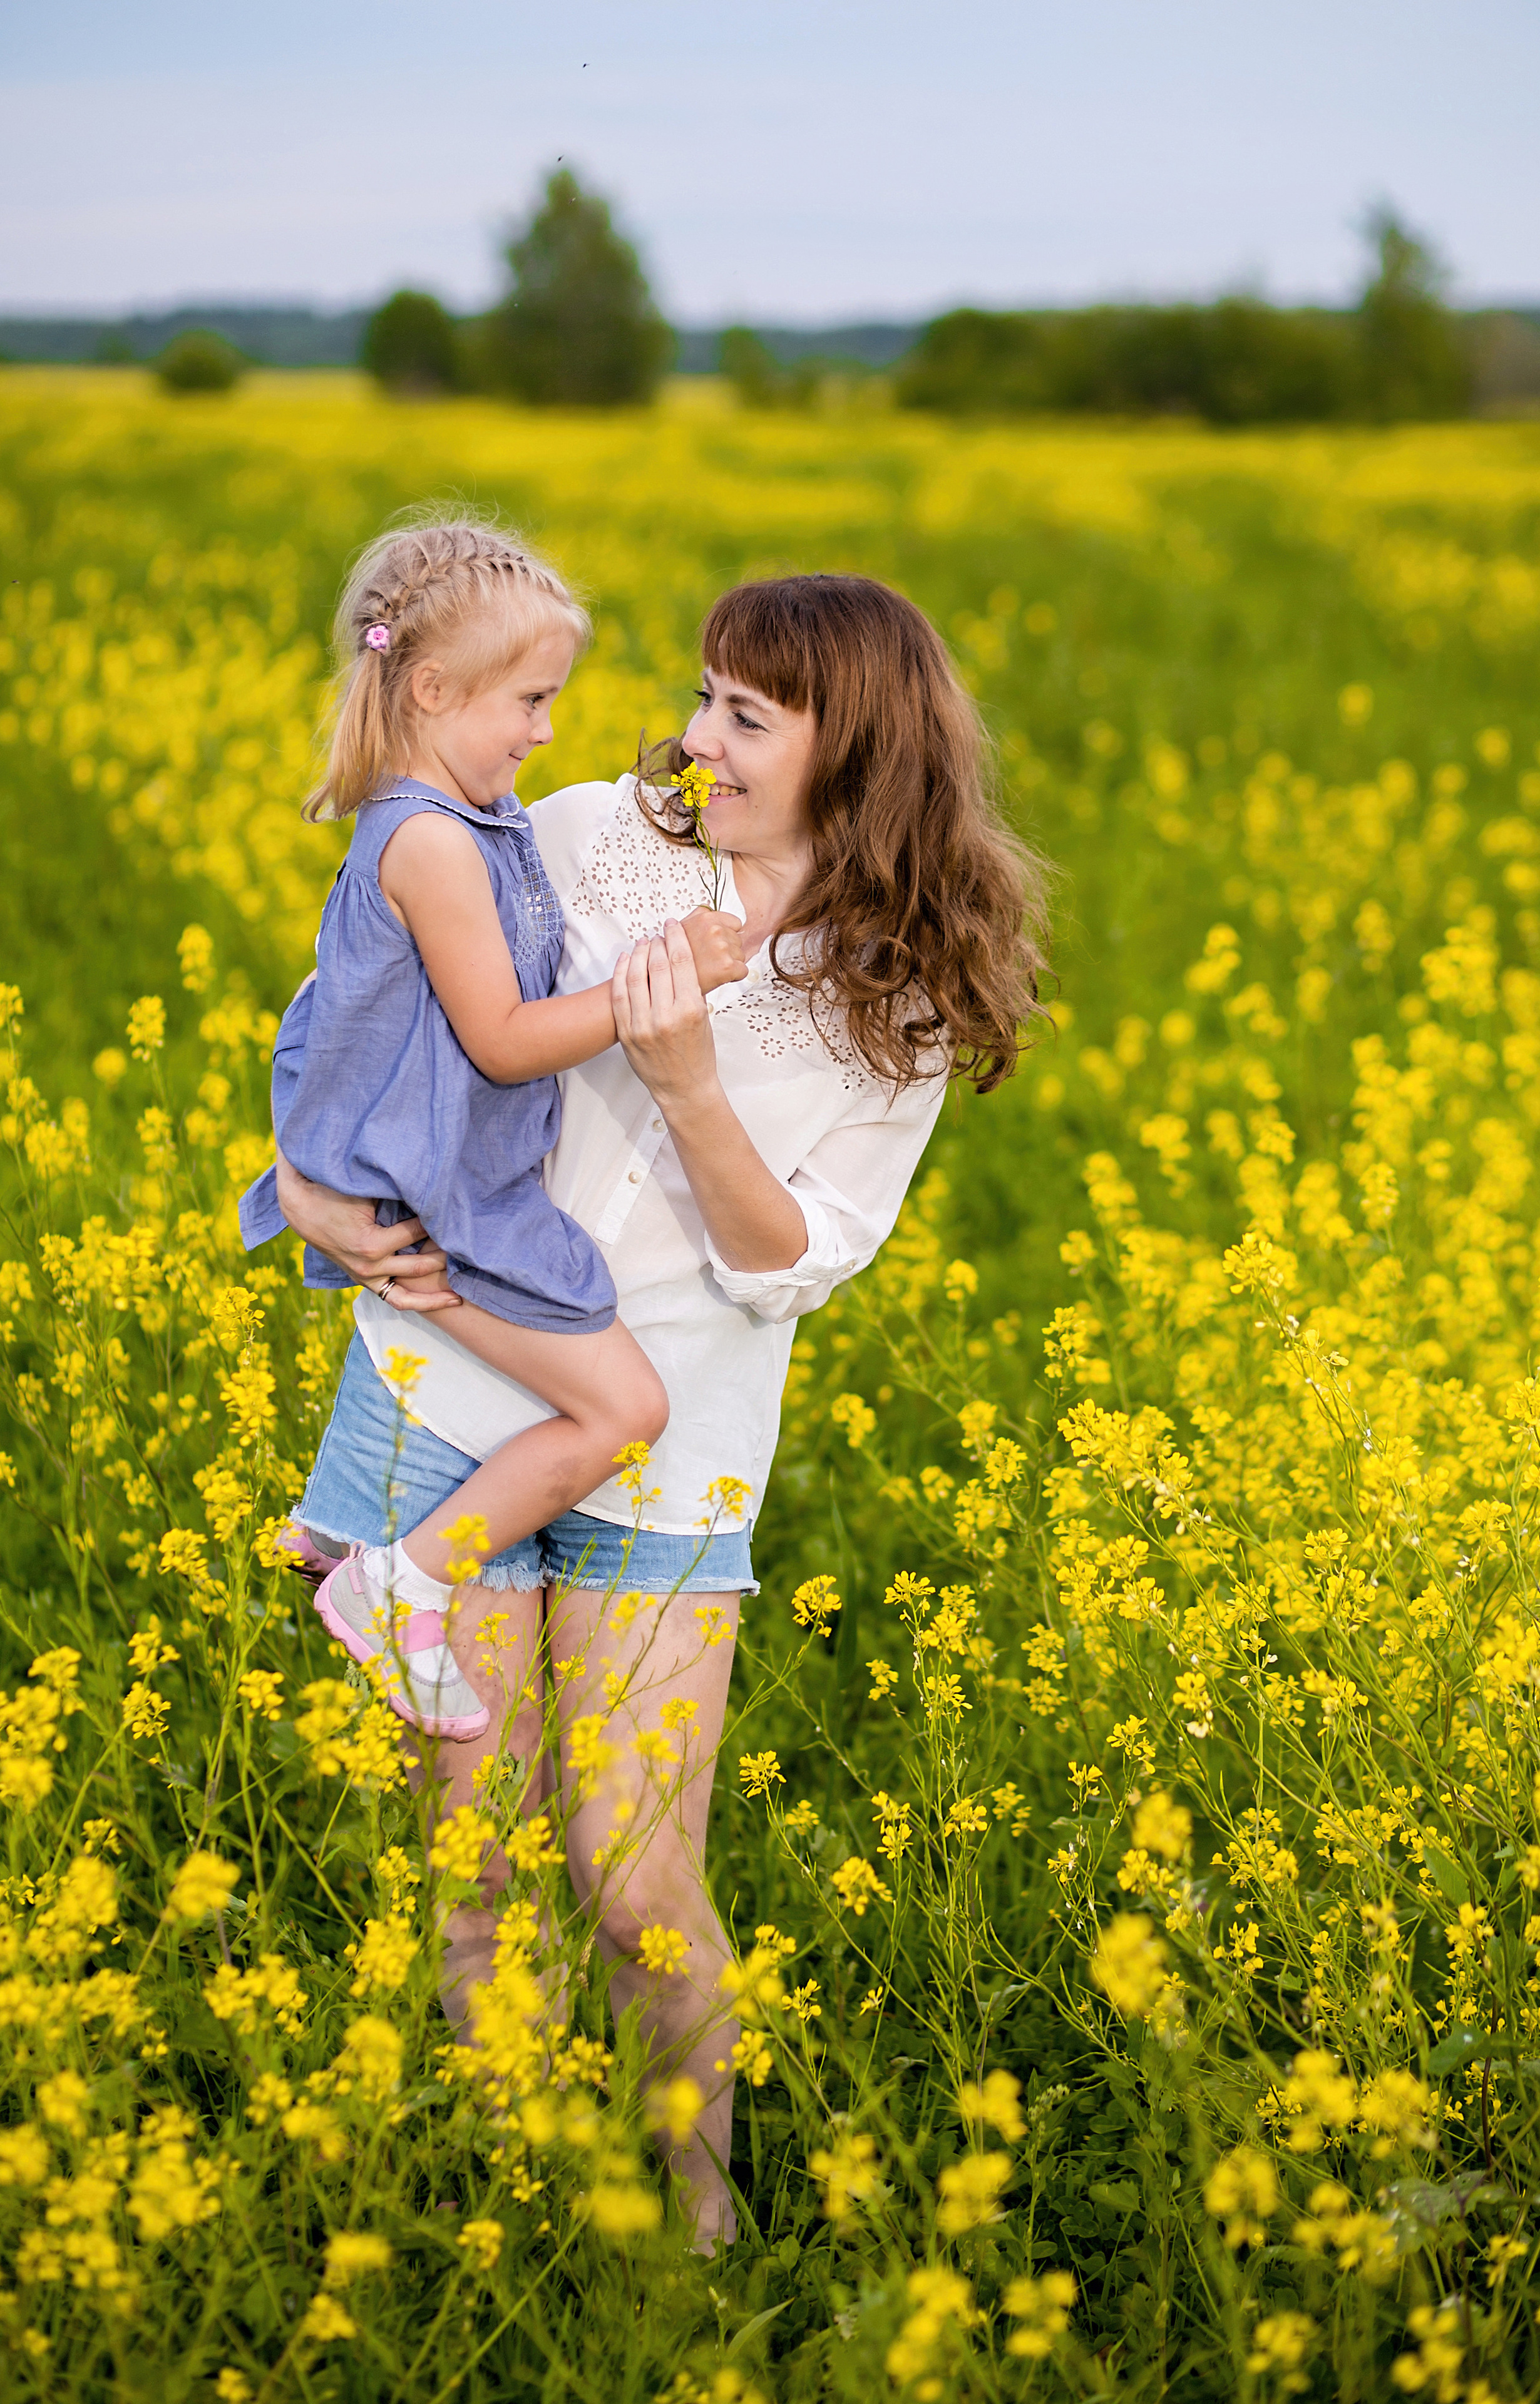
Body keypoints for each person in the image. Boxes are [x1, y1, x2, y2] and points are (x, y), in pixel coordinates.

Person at [274, 571, 1047, 2246]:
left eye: (746, 716)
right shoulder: (593, 837)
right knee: (473, 1871)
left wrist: (694, 1093)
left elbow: (794, 1264)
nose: (694, 738)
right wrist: (300, 1179)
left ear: (858, 750)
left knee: (635, 1886)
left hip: (675, 1441)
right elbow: (388, 988)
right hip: (461, 1389)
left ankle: (698, 2238)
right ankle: (524, 2214)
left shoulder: (902, 987)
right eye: (704, 697)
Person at [239, 516, 745, 1736]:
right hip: (446, 1194)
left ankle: (342, 1519)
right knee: (625, 1411)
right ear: (429, 688)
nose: (544, 729)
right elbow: (502, 1039)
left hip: (440, 1178)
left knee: (543, 1381)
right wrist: (666, 984)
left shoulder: (460, 823)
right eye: (529, 699)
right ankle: (397, 1578)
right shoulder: (429, 841)